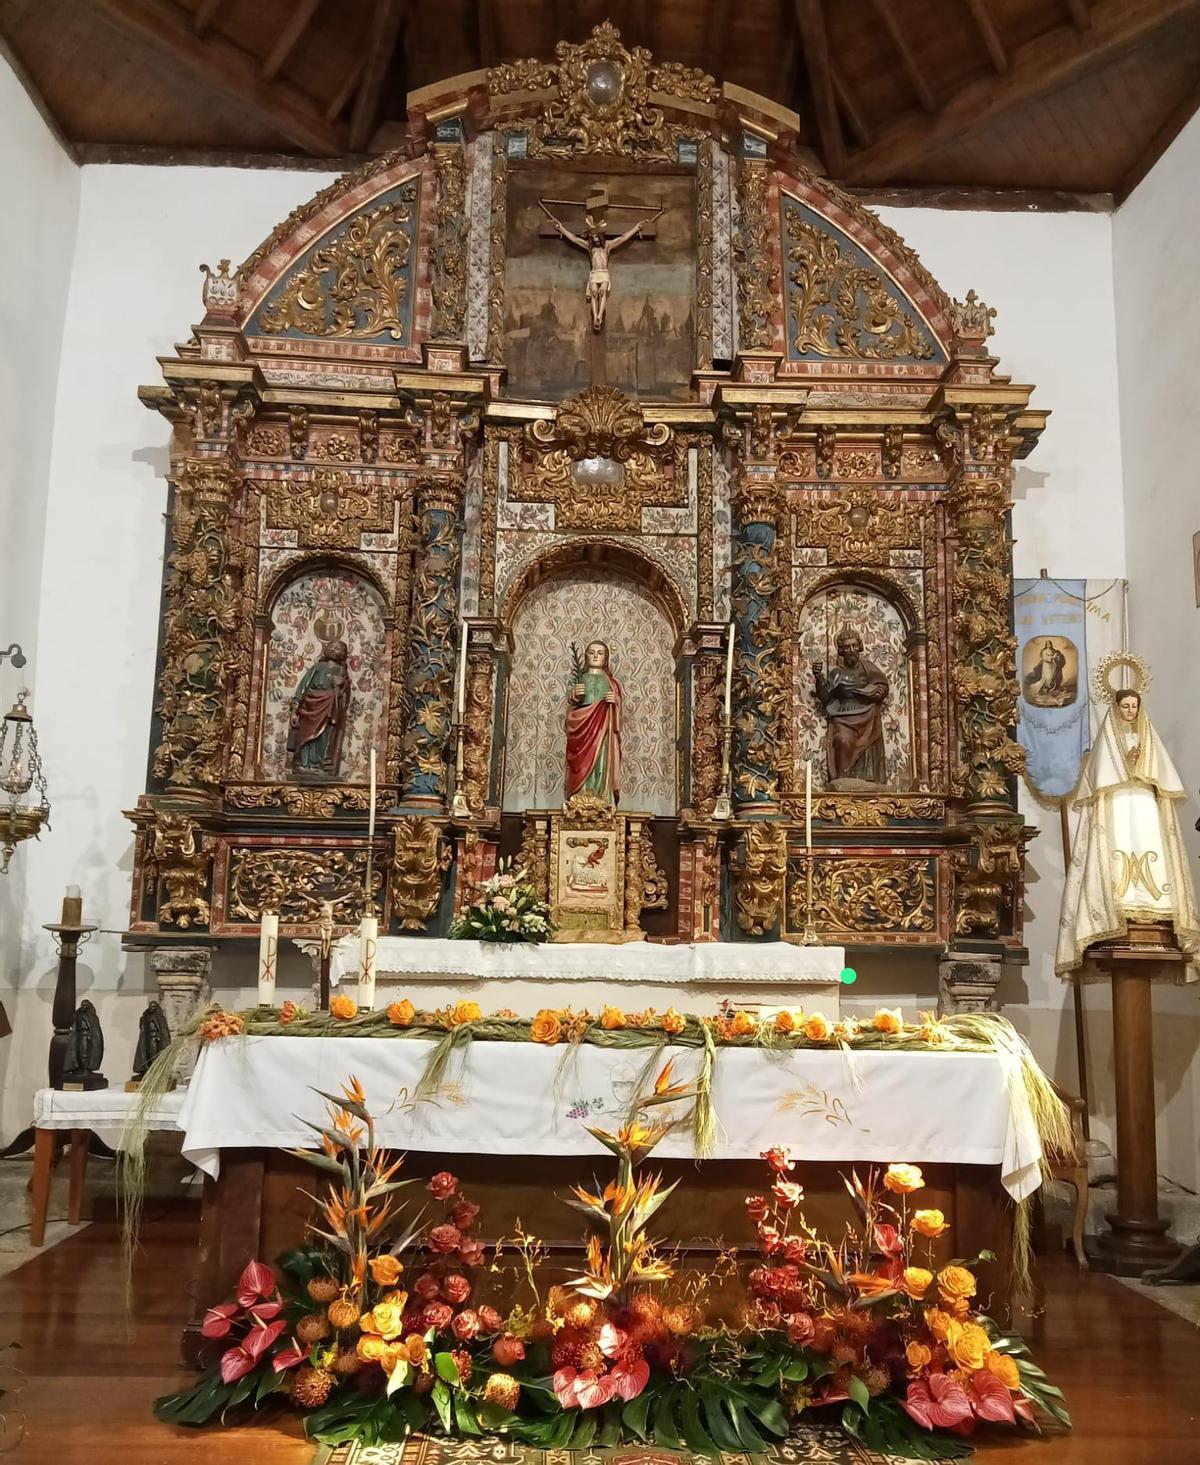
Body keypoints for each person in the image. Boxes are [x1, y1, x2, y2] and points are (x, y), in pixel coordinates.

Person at [1056, 687, 1200, 976]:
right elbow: (1102, 778)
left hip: (1143, 802)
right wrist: (1124, 763)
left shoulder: (1149, 738)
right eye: (1126, 706)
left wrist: (1140, 764)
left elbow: (1160, 776)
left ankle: (1156, 906)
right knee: (1116, 845)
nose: (1131, 711)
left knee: (1150, 843)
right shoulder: (1107, 741)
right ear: (1116, 707)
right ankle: (1117, 905)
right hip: (1119, 805)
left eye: (1134, 706)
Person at [812, 629, 890, 785]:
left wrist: (876, 692)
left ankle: (867, 780)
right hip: (844, 715)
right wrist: (818, 677)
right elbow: (825, 696)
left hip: (867, 713)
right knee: (842, 740)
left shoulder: (867, 667)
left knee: (867, 744)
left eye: (854, 646)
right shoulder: (837, 673)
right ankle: (843, 780)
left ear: (860, 647)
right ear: (841, 651)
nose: (851, 650)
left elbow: (882, 685)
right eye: (847, 647)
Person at [564, 641, 622, 805]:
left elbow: (618, 709)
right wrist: (575, 694)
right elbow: (571, 704)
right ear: (586, 656)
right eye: (592, 652)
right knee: (581, 762)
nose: (596, 655)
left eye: (600, 653)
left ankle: (601, 796)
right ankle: (580, 795)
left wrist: (615, 701)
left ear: (606, 658)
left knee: (602, 762)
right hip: (582, 728)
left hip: (603, 729)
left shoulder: (612, 683)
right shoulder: (579, 679)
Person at [288, 639, 350, 777]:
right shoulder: (318, 667)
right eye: (332, 647)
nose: (334, 650)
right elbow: (303, 687)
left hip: (329, 707)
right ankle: (303, 764)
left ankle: (318, 764)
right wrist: (294, 710)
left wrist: (341, 686)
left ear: (344, 654)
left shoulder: (341, 671)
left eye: (338, 648)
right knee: (306, 735)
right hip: (311, 705)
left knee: (324, 736)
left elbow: (344, 697)